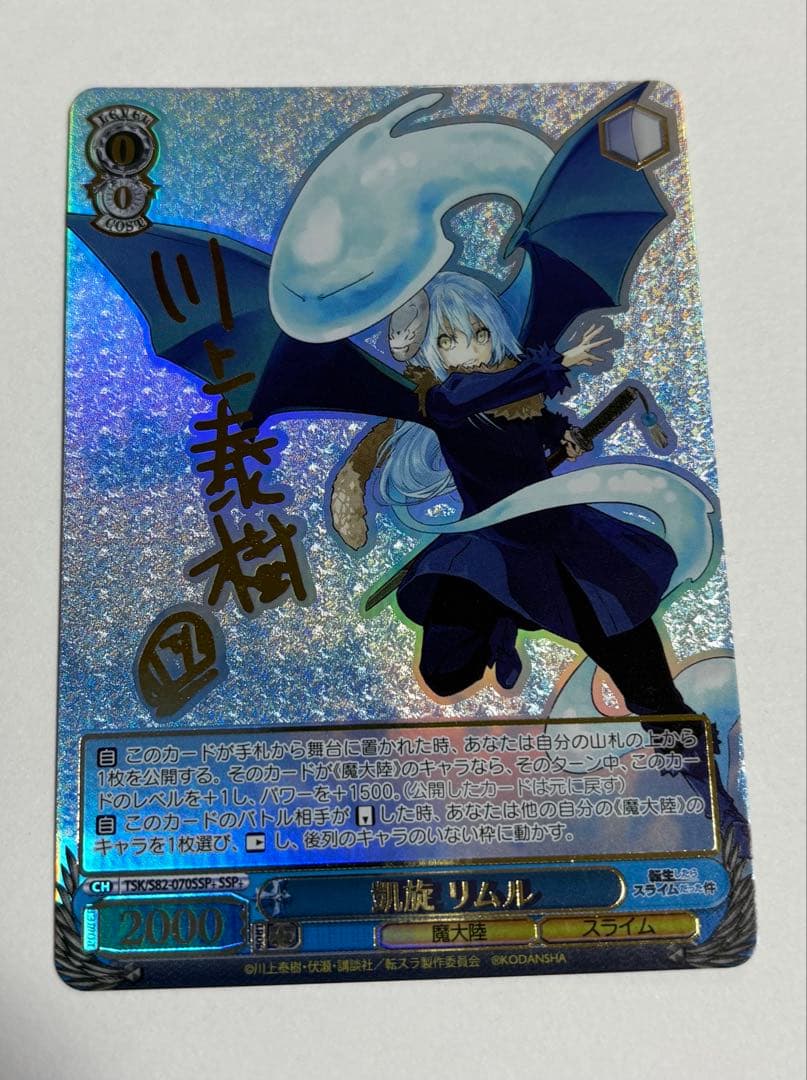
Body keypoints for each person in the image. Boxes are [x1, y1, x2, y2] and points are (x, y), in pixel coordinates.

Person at [333, 270, 692, 712]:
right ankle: (500, 622)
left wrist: (562, 435)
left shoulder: (514, 390)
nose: (471, 350)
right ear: (429, 349)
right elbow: (479, 394)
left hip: (558, 532)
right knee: (445, 671)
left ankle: (674, 729)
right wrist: (558, 362)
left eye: (481, 334)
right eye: (449, 340)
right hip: (491, 540)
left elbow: (535, 421)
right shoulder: (444, 401)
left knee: (623, 636)